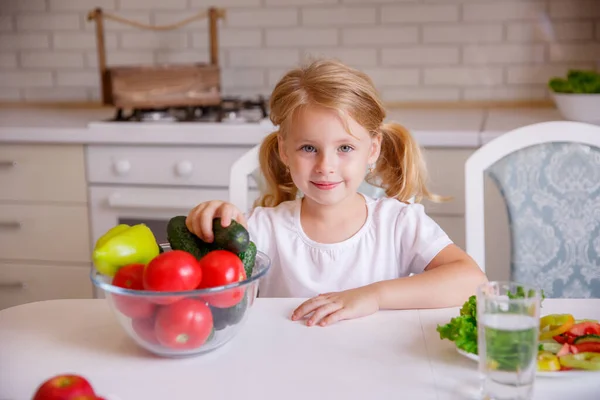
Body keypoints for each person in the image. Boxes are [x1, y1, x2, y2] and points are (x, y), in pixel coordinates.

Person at [186, 58, 488, 327]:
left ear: (372, 149)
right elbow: (202, 283)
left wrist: (374, 296)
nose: (325, 166)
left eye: (344, 148)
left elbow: (472, 280)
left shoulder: (397, 223)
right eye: (308, 148)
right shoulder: (263, 228)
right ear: (284, 150)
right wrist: (211, 224)